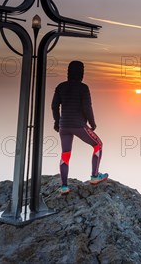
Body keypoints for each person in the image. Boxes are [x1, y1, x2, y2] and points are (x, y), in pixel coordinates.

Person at [52, 60, 108, 195]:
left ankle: (64, 186)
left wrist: (57, 122)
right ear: (81, 73)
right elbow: (87, 107)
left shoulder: (61, 86)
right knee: (98, 145)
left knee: (65, 154)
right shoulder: (83, 88)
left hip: (64, 126)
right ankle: (95, 176)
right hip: (78, 125)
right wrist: (92, 122)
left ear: (68, 72)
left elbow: (54, 106)